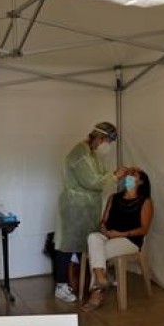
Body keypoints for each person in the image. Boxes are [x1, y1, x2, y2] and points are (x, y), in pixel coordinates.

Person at [53, 122, 127, 303]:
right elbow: (92, 181)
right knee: (67, 245)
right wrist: (115, 176)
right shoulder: (81, 152)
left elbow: (103, 176)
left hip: (87, 208)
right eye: (108, 142)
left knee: (84, 244)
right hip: (75, 207)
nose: (107, 148)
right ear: (100, 138)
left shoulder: (93, 154)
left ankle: (88, 280)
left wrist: (120, 178)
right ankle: (61, 285)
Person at [81, 169, 154, 311]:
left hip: (130, 240)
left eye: (133, 174)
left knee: (98, 252)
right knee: (93, 237)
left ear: (140, 182)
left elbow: (144, 229)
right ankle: (101, 277)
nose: (128, 176)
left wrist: (120, 234)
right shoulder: (113, 198)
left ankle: (97, 291)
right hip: (109, 236)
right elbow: (104, 220)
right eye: (128, 174)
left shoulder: (146, 202)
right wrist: (103, 228)